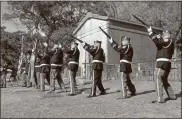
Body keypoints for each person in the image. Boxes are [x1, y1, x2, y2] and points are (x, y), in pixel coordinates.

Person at [147, 26, 177, 103]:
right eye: (164, 34)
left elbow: (159, 43)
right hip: (166, 64)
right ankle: (172, 96)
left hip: (162, 63)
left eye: (166, 33)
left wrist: (150, 33)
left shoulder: (169, 41)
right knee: (164, 81)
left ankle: (160, 98)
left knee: (158, 78)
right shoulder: (166, 42)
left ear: (169, 35)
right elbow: (159, 44)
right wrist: (158, 37)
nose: (164, 35)